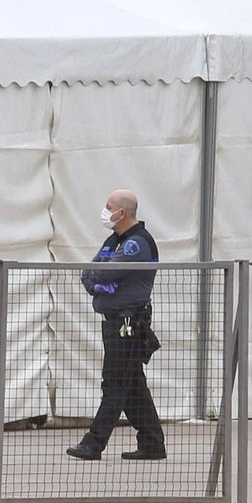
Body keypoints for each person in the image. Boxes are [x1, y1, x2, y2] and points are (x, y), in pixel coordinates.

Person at [66, 189, 166, 462]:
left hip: (128, 322)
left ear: (122, 212)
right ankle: (152, 443)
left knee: (115, 384)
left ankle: (93, 443)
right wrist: (97, 282)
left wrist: (100, 276)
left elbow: (106, 270)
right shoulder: (115, 240)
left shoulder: (137, 243)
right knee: (132, 385)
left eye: (109, 206)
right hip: (113, 322)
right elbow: (90, 271)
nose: (104, 211)